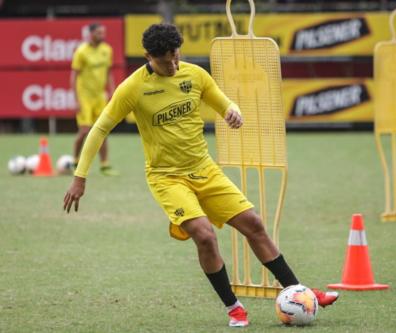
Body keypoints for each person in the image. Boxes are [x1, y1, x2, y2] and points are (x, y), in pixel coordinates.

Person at [63, 23, 338, 327]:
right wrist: (80, 176)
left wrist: (233, 111)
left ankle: (300, 293)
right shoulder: (133, 87)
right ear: (147, 56)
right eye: (164, 60)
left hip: (205, 168)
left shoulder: (195, 75)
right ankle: (233, 307)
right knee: (205, 236)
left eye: (175, 56)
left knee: (255, 225)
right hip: (167, 178)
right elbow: (100, 128)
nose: (172, 64)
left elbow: (224, 102)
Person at [70, 22, 118, 176]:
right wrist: (76, 99)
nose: (102, 36)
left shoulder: (107, 50)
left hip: (100, 97)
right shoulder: (81, 52)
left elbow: (109, 72)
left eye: (103, 33)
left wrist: (112, 91)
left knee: (102, 130)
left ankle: (105, 165)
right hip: (85, 97)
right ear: (90, 35)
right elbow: (74, 76)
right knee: (84, 131)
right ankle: (75, 161)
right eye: (99, 33)